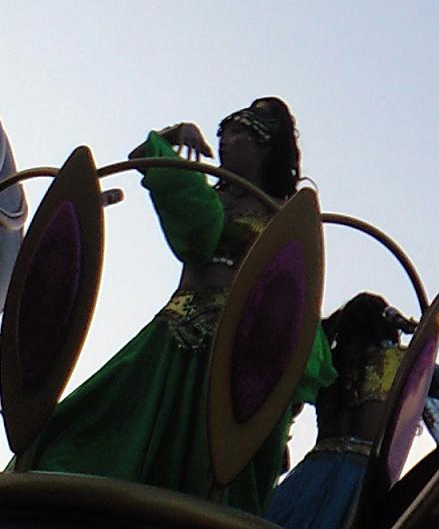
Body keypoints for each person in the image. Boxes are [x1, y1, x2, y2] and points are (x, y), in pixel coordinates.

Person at [20, 98, 336, 514]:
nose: (224, 142)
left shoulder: (285, 217)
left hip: (236, 355)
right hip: (173, 336)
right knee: (86, 430)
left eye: (237, 134)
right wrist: (171, 136)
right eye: (222, 133)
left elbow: (294, 301)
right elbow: (147, 162)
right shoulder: (202, 192)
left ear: (264, 146)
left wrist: (281, 393)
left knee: (214, 469)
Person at [265, 294, 439, 529]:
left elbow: (283, 402)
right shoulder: (401, 362)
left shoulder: (329, 364)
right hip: (364, 483)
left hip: (310, 477)